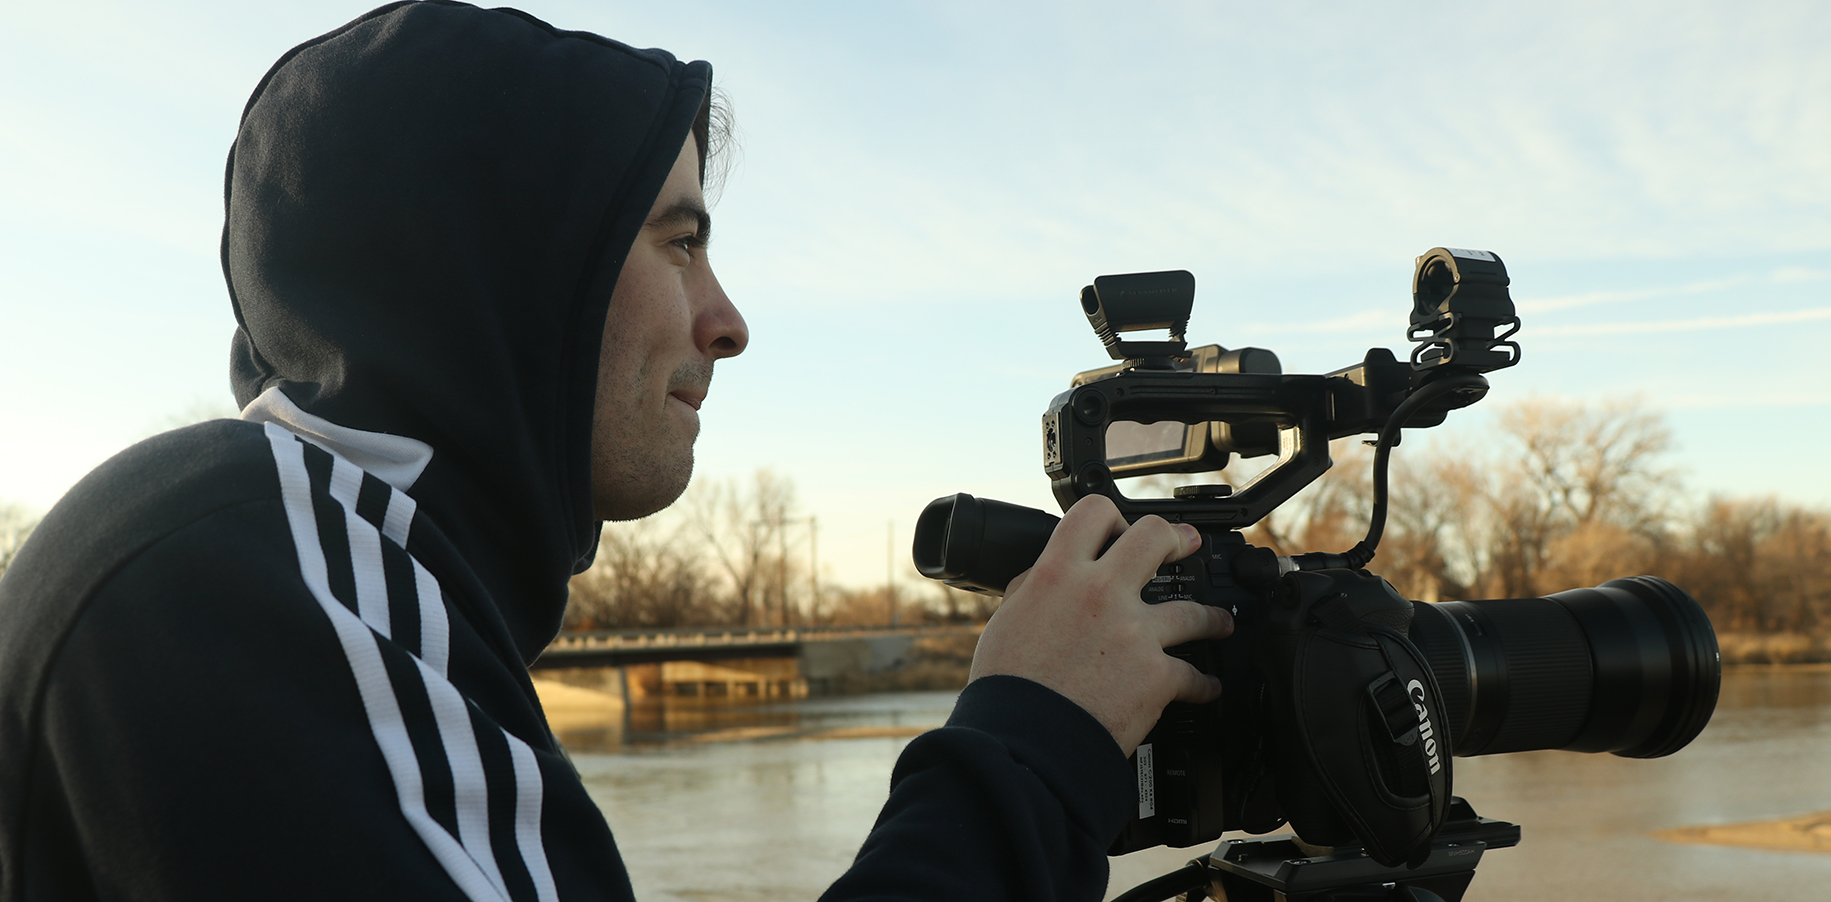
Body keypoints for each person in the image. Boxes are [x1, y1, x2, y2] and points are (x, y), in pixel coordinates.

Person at [0, 3, 1230, 900]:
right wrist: (1032, 746)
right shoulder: (258, 569)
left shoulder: (287, 551)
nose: (728, 321)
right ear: (511, 269)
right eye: (679, 242)